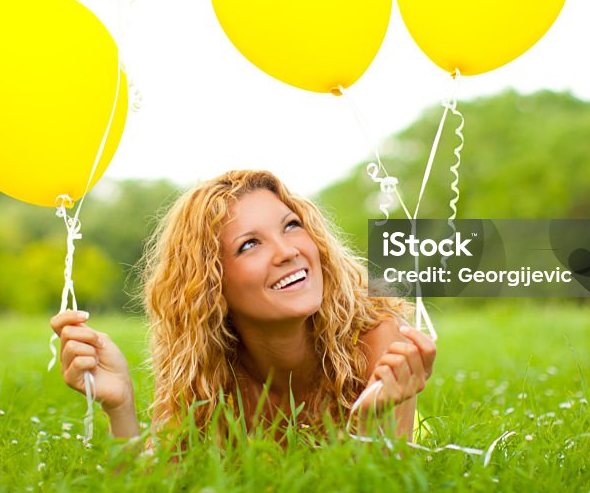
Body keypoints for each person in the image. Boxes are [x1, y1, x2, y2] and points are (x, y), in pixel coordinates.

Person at [50, 169, 436, 441]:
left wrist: (373, 421)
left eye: (291, 226)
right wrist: (120, 407)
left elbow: (390, 481)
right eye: (249, 244)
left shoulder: (375, 337)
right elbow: (157, 483)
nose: (288, 252)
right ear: (211, 283)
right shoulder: (205, 369)